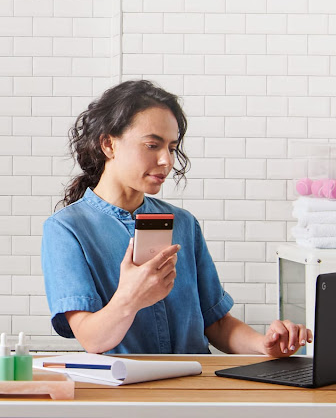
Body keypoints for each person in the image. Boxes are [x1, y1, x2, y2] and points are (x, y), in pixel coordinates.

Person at [41, 80, 313, 355]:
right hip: (124, 391)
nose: (167, 161)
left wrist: (265, 346)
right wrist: (131, 296)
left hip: (194, 388)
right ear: (109, 144)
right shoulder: (67, 229)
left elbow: (216, 323)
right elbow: (92, 339)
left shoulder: (183, 223)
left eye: (171, 147)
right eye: (152, 145)